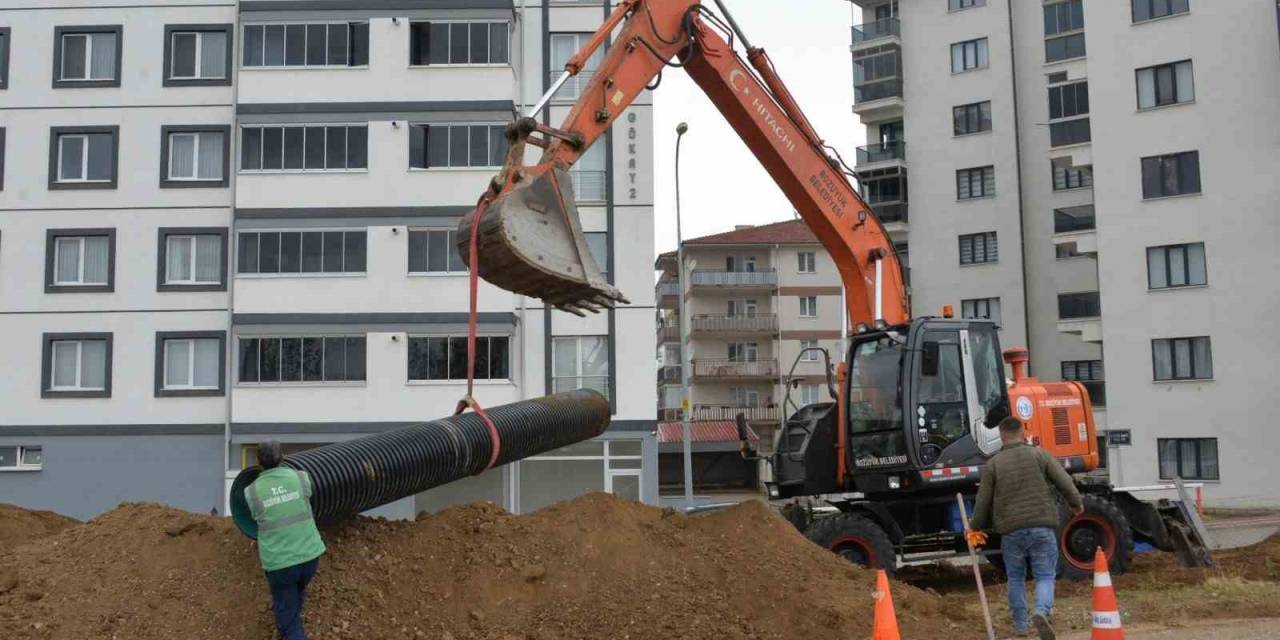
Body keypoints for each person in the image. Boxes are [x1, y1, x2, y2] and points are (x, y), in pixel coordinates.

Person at [968, 417, 1084, 640]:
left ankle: (1020, 627)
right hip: (1042, 526)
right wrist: (1076, 504)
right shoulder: (1040, 455)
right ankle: (1041, 611)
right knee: (1045, 575)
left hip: (1011, 531)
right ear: (1023, 433)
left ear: (1001, 436)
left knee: (1015, 577)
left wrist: (975, 528)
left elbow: (983, 502)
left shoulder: (993, 464)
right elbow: (1065, 482)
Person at [245, 441, 327, 640]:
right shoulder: (301, 477)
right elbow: (307, 496)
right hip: (310, 556)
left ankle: (291, 629)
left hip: (281, 563)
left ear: (258, 461)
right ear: (282, 457)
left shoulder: (251, 491)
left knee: (288, 622)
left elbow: (257, 516)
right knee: (294, 598)